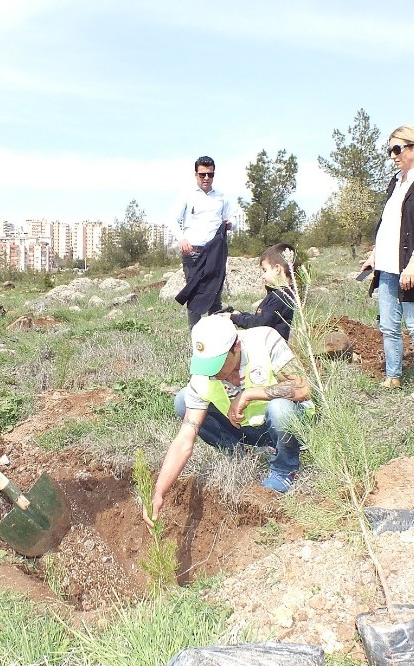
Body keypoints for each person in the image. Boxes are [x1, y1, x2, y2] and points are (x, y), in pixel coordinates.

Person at [143, 316, 314, 526]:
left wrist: (251, 394)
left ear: (237, 347)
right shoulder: (203, 375)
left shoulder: (265, 340)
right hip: (244, 429)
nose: (213, 373)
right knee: (182, 400)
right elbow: (185, 439)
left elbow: (303, 388)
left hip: (284, 423)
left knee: (281, 408)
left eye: (218, 363)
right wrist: (159, 491)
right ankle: (243, 452)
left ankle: (284, 470)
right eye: (207, 365)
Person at [360, 126, 414, 402]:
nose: (393, 155)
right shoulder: (396, 181)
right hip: (387, 265)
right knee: (388, 325)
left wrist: (413, 264)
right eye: (390, 150)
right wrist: (375, 253)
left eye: (397, 149)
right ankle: (393, 375)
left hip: (412, 265)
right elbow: (387, 223)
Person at [169, 156, 232, 327]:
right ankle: (197, 342)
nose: (206, 178)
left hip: (215, 253)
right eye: (202, 174)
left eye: (209, 175)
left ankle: (216, 341)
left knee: (215, 296)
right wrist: (181, 239)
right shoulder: (186, 195)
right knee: (195, 296)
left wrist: (230, 224)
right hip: (193, 252)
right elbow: (173, 220)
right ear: (195, 174)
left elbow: (229, 219)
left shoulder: (222, 197)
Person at [221, 243, 297, 341]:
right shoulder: (278, 293)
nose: (263, 276)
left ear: (277, 269)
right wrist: (240, 314)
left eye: (265, 270)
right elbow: (261, 318)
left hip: (270, 350)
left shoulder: (281, 296)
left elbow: (260, 323)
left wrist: (233, 318)